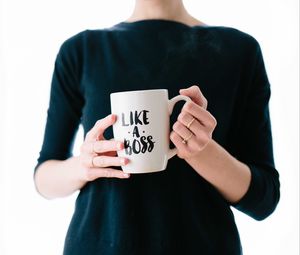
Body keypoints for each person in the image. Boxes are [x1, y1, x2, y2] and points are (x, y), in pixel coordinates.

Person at [34, 0, 280, 254]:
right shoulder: (81, 51)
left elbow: (264, 200)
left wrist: (201, 152)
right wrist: (84, 165)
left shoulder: (239, 51)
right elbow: (44, 178)